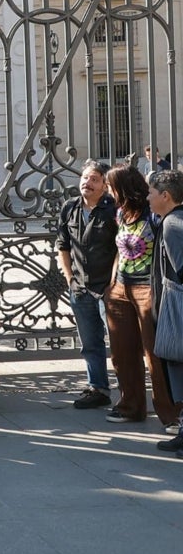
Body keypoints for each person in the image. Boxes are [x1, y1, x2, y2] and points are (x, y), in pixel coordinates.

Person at [104, 165, 179, 427]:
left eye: (111, 186)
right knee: (122, 352)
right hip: (120, 288)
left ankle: (171, 415)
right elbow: (120, 249)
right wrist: (113, 283)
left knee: (154, 354)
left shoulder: (153, 214)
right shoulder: (121, 213)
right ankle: (130, 407)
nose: (108, 191)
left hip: (147, 289)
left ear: (124, 187)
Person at [57, 160, 118, 409]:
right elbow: (62, 245)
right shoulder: (69, 208)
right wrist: (69, 277)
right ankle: (98, 389)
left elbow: (121, 248)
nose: (87, 183)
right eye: (84, 178)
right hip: (80, 289)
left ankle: (128, 391)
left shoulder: (113, 209)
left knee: (119, 344)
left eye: (94, 179)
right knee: (90, 344)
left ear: (105, 184)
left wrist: (114, 283)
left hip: (108, 288)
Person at [149, 170, 183, 454]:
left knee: (178, 367)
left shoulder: (173, 223)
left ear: (165, 195)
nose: (148, 197)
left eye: (151, 192)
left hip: (176, 308)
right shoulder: (171, 220)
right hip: (172, 306)